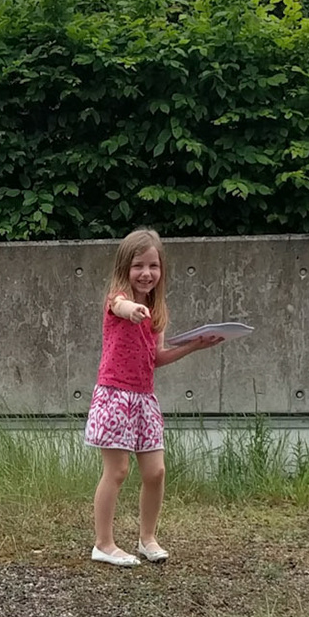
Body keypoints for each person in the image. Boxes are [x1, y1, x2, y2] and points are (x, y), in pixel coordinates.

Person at [85, 228, 224, 566]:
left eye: (153, 266)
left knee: (156, 472)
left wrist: (195, 345)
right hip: (115, 396)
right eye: (138, 266)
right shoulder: (118, 299)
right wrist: (131, 309)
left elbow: (156, 358)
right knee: (117, 471)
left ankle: (147, 538)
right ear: (124, 268)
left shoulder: (157, 308)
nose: (146, 273)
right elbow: (120, 306)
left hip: (144, 399)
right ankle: (103, 544)